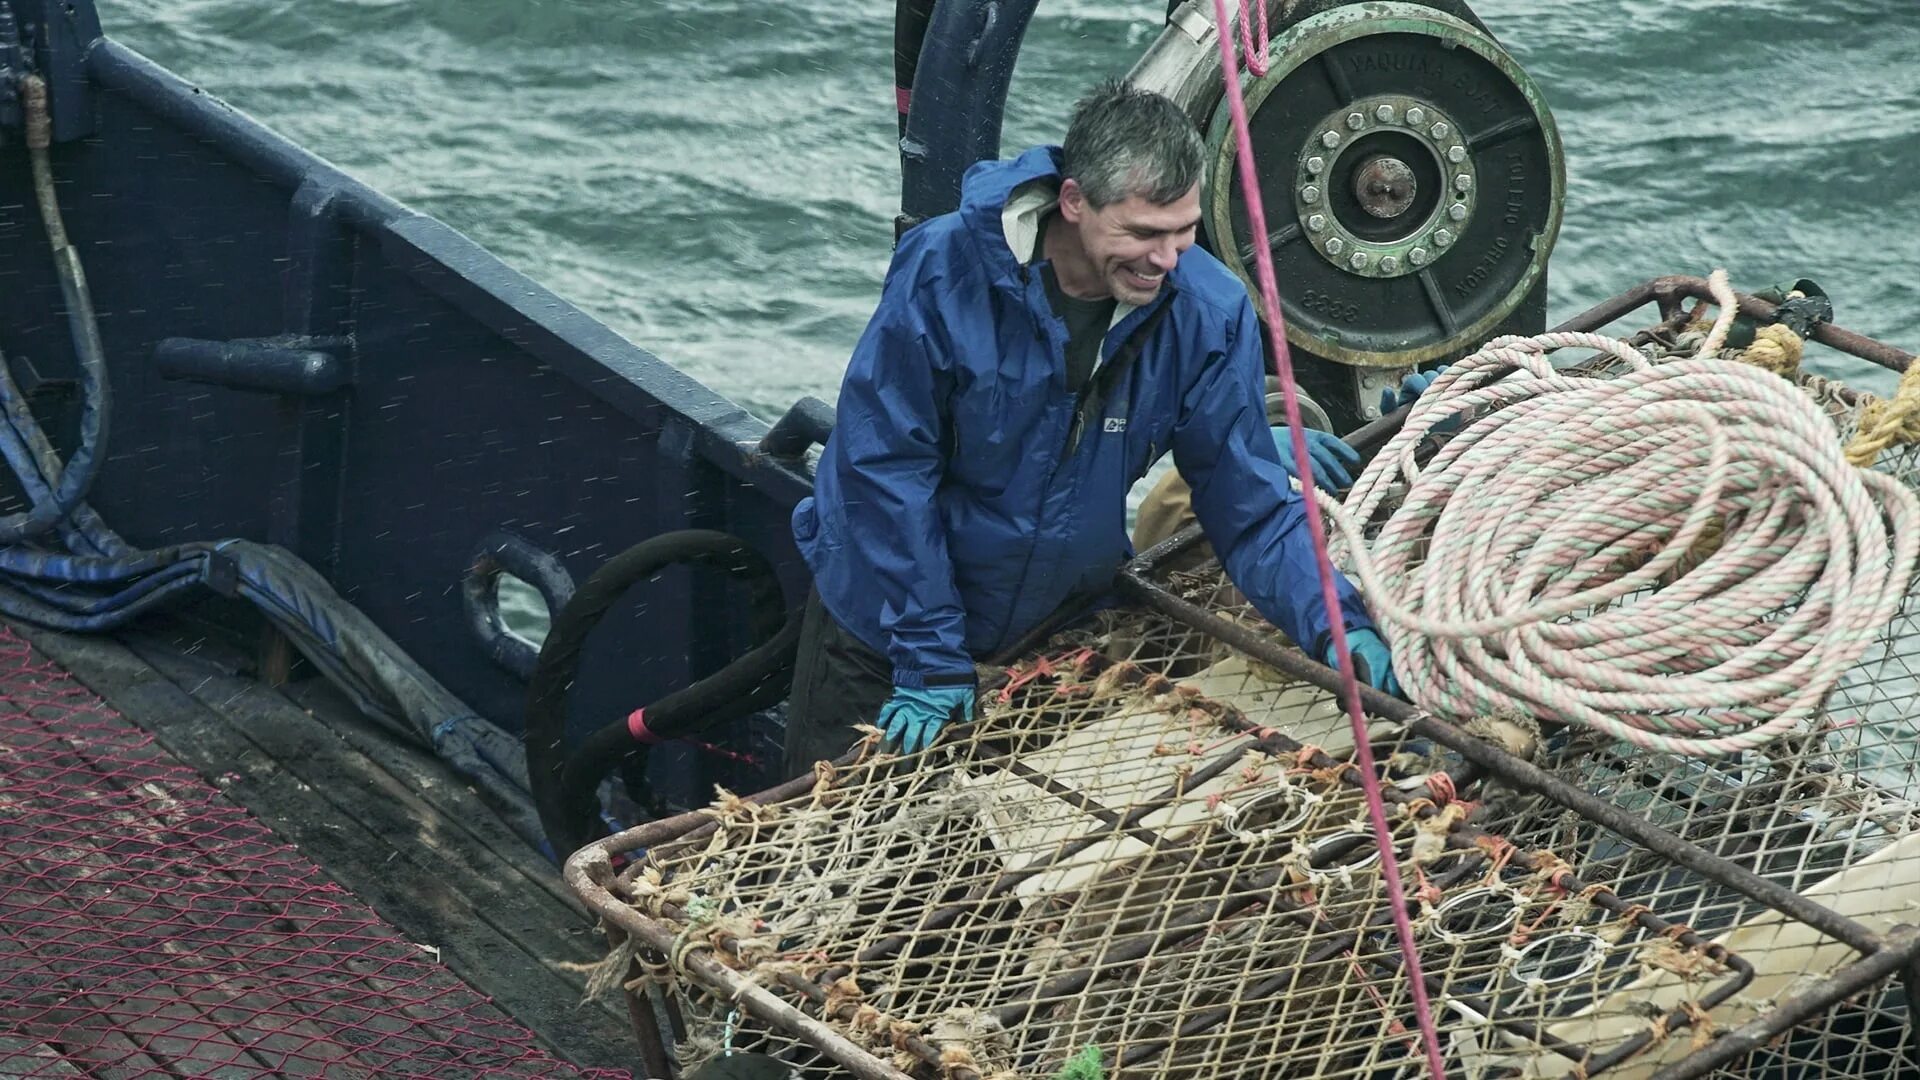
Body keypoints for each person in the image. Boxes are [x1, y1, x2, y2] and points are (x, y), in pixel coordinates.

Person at [782, 78, 1400, 776]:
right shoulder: (941, 270)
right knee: (837, 868)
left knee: (996, 872)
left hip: (1053, 637)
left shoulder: (1208, 311)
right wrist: (926, 650)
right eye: (1140, 232)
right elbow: (883, 468)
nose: (1166, 260)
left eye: (1183, 230)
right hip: (887, 633)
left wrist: (1338, 627)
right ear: (1074, 202)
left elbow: (1251, 508)